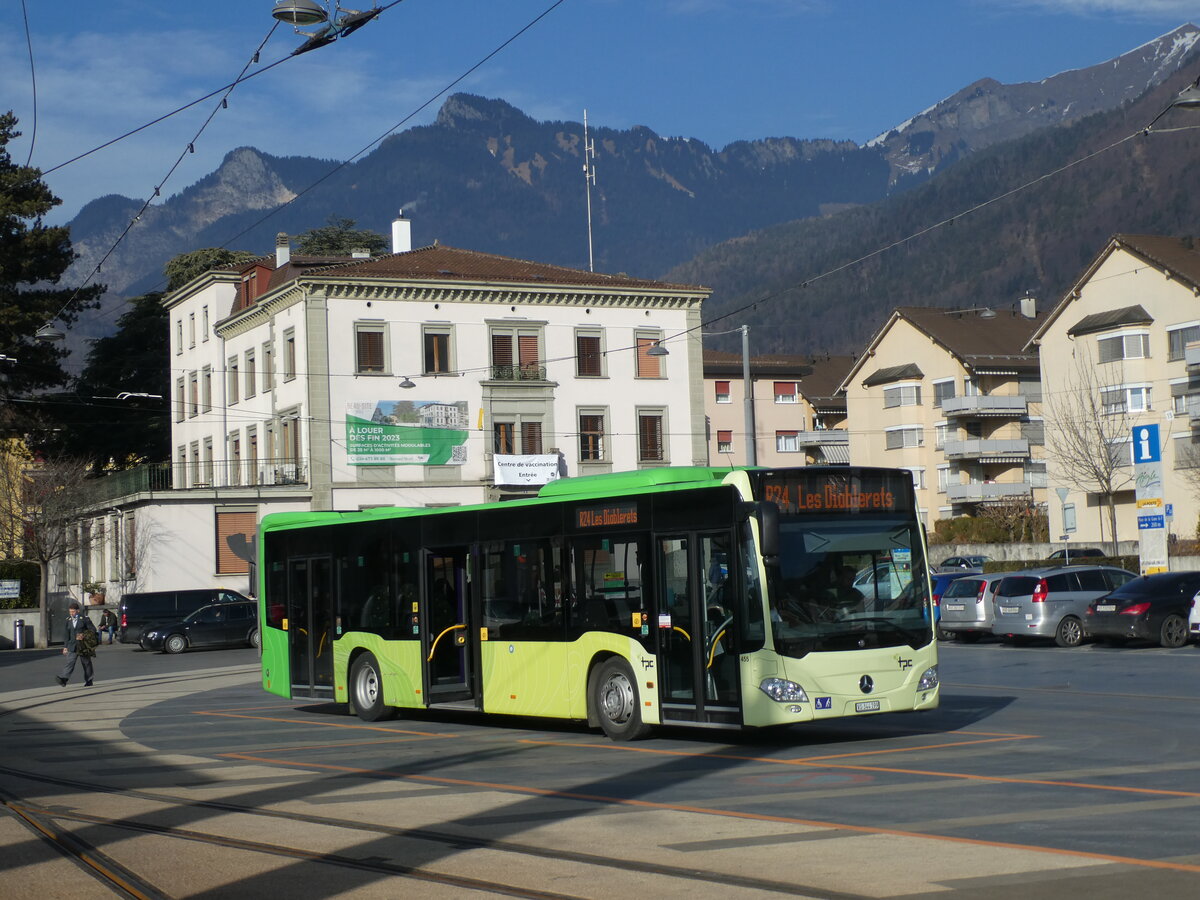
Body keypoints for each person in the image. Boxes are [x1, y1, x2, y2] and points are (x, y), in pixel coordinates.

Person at [57, 601, 99, 687]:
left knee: (86, 663)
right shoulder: (68, 620)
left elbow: (93, 630)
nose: (71, 613)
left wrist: (83, 635)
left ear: (78, 611)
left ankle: (89, 680)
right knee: (70, 662)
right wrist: (65, 647)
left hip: (83, 645)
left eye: (73, 611)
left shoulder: (84, 619)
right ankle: (64, 679)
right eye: (70, 612)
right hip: (72, 645)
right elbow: (66, 634)